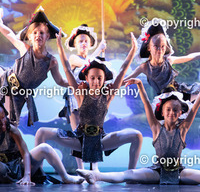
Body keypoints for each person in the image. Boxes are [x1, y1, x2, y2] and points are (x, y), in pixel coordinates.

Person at [76, 63, 200, 186]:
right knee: (128, 174)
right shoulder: (156, 127)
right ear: (162, 111)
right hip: (157, 171)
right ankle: (95, 175)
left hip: (179, 171)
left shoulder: (182, 129)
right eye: (168, 110)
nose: (172, 113)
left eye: (176, 110)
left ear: (180, 113)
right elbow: (146, 105)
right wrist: (140, 86)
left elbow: (194, 109)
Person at [34, 32, 142, 170]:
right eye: (92, 78)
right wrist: (59, 45)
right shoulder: (80, 94)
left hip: (100, 139)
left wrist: (133, 50)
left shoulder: (108, 95)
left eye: (99, 78)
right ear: (87, 78)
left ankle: (131, 174)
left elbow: (122, 70)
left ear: (104, 79)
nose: (96, 81)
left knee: (137, 135)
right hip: (79, 139)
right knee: (41, 132)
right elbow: (67, 69)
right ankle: (37, 173)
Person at [0, 7, 67, 126]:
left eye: (41, 33)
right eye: (35, 33)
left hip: (18, 94)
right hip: (6, 77)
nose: (38, 35)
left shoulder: (51, 61)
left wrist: (76, 84)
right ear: (29, 36)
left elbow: (60, 81)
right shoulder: (25, 49)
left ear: (47, 36)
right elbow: (9, 34)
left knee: (8, 125)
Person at [125, 18, 200, 101]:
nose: (160, 50)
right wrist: (115, 85)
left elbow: (188, 57)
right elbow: (125, 80)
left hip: (182, 93)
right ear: (149, 48)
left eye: (163, 46)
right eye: (156, 46)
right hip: (168, 100)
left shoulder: (168, 60)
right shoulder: (145, 67)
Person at [55, 24, 106, 170]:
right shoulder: (73, 58)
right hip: (74, 100)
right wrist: (99, 49)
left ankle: (94, 168)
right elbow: (87, 65)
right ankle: (81, 169)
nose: (83, 44)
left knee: (93, 132)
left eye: (86, 41)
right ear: (75, 44)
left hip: (90, 101)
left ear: (89, 44)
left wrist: (101, 53)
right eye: (80, 41)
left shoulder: (94, 60)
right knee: (77, 135)